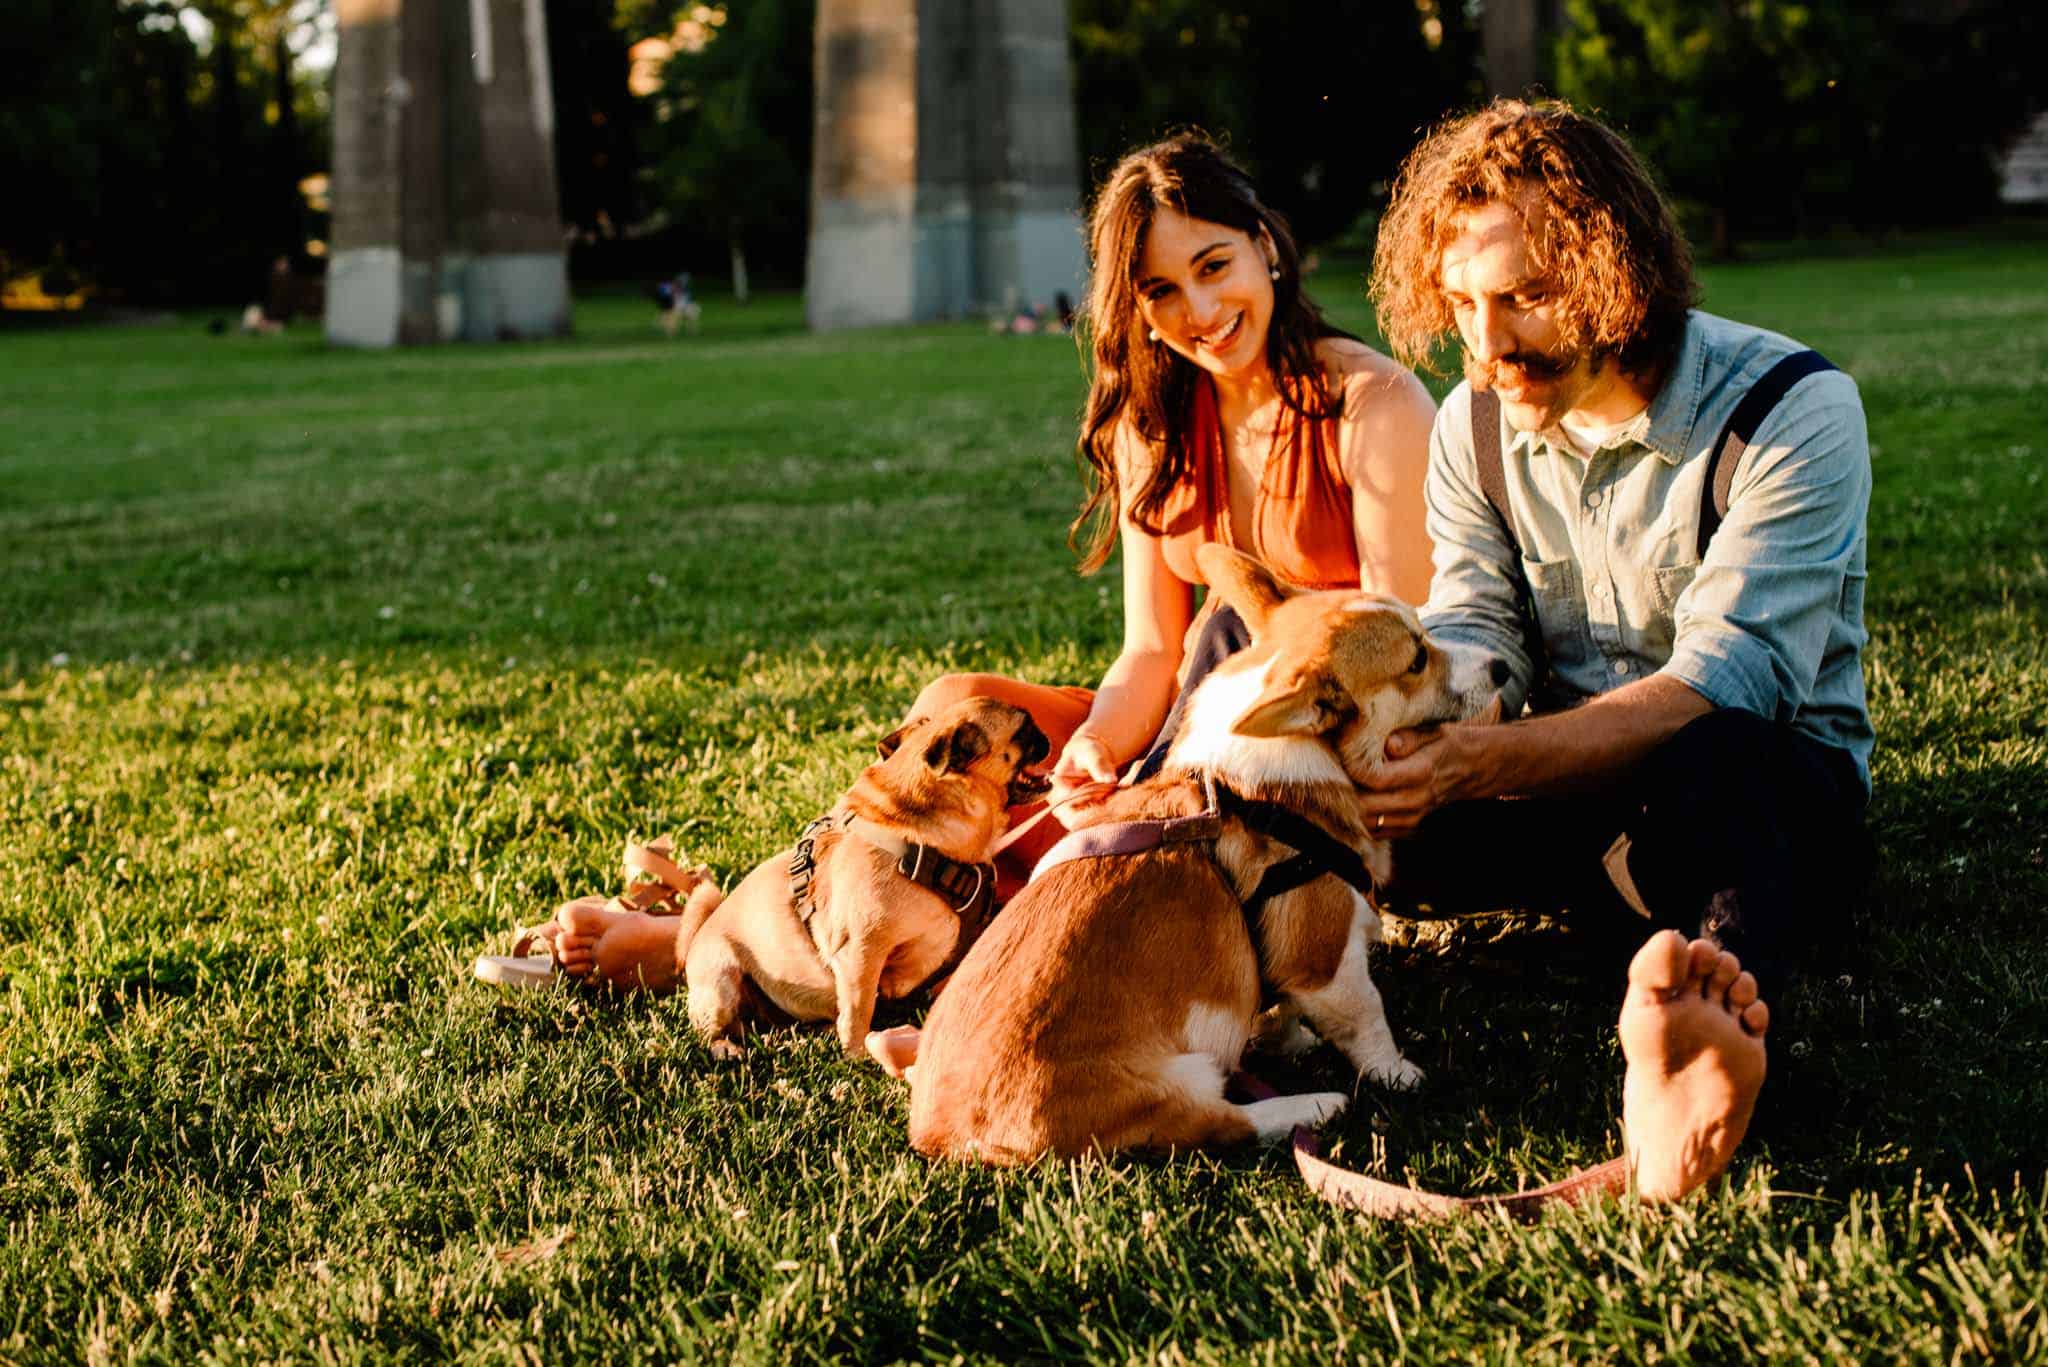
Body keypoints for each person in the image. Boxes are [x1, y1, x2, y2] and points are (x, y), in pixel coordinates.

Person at [537, 132, 1438, 991]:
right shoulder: (1154, 428)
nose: (1199, 313)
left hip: (1293, 760)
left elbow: (1408, 668)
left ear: (1264, 246)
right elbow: (1152, 655)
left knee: (1054, 838)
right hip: (1191, 711)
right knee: (948, 712)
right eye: (1161, 291)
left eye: (1213, 267)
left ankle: (707, 942)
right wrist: (1094, 747)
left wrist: (1164, 775)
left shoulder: (1369, 409)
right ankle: (783, 914)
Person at [1351, 97, 1873, 1200]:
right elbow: (1477, 626)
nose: (1487, 346)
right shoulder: (1472, 422)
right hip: (1563, 798)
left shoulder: (1789, 407)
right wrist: (1435, 729)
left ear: (1613, 265)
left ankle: (1704, 1022)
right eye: (1461, 305)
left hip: (1756, 791)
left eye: (1525, 297)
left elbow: (1719, 684)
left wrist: (1475, 764)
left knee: (1710, 762)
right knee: (1368, 803)